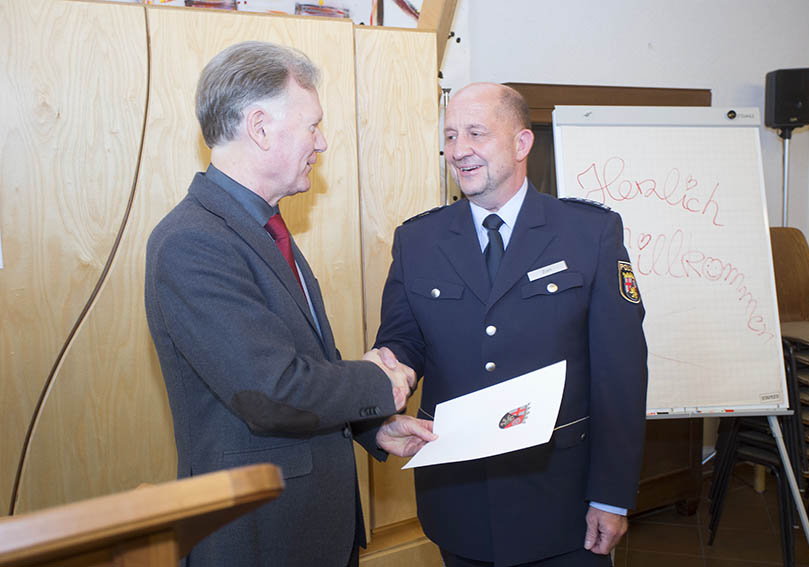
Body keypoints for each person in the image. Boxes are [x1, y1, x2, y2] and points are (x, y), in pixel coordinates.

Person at [144, 41, 435, 567]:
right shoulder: (193, 241)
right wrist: (380, 383)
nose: (321, 143)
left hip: (310, 529)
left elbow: (304, 371)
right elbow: (271, 391)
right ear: (259, 127)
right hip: (258, 538)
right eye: (312, 125)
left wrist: (372, 424)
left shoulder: (261, 227)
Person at [374, 82, 649, 567]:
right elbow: (402, 341)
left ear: (522, 144)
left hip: (561, 499)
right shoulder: (418, 240)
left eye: (476, 134)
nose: (459, 151)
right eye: (451, 136)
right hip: (458, 497)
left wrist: (611, 494)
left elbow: (621, 374)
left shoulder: (589, 234)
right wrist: (390, 373)